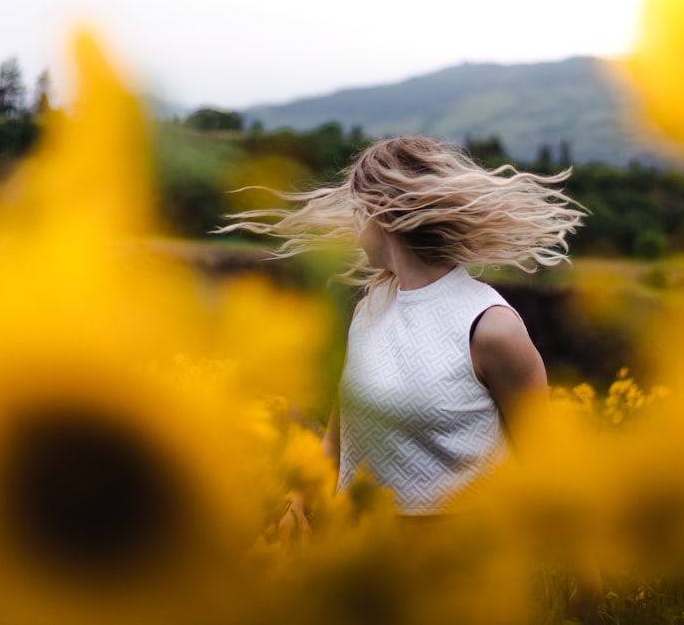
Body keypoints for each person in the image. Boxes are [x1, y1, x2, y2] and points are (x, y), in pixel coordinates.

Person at [221, 135, 585, 527]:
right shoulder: (369, 310)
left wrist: (588, 584)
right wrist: (296, 505)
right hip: (357, 558)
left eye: (355, 208)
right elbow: (337, 442)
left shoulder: (491, 327)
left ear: (378, 214)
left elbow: (548, 464)